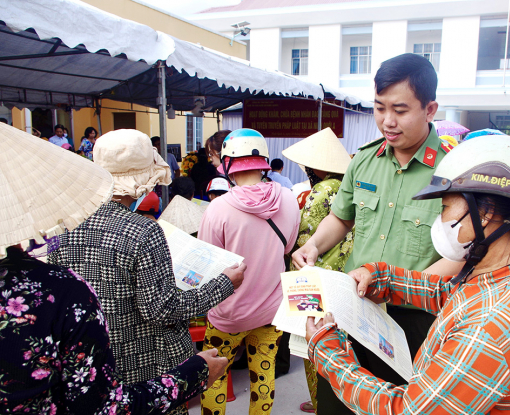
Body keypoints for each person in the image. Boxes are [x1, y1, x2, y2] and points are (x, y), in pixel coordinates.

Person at [306, 135, 510, 415]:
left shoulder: (491, 325)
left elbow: (408, 410)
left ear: (486, 213)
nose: (440, 221)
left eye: (444, 208)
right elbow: (452, 295)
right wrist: (384, 278)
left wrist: (328, 351)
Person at [0, 122, 229, 413]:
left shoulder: (61, 228)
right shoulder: (143, 231)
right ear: (146, 181)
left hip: (83, 368)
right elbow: (160, 308)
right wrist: (223, 284)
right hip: (147, 369)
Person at [291, 53, 449, 414]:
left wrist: (395, 286)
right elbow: (342, 217)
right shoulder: (363, 160)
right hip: (355, 308)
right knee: (339, 402)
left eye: (400, 109)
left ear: (430, 109)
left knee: (399, 406)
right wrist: (313, 246)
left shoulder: (450, 172)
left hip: (413, 321)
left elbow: (458, 256)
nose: (387, 122)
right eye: (379, 108)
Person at [198, 128, 300, 415]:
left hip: (227, 315)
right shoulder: (289, 199)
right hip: (270, 311)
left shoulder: (218, 208)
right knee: (263, 375)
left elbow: (209, 263)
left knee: (214, 377)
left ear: (228, 164)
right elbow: (288, 246)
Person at [282, 127, 354, 414]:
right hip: (345, 276)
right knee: (341, 345)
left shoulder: (320, 191)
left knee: (311, 346)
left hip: (315, 278)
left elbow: (304, 238)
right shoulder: (349, 187)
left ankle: (318, 402)